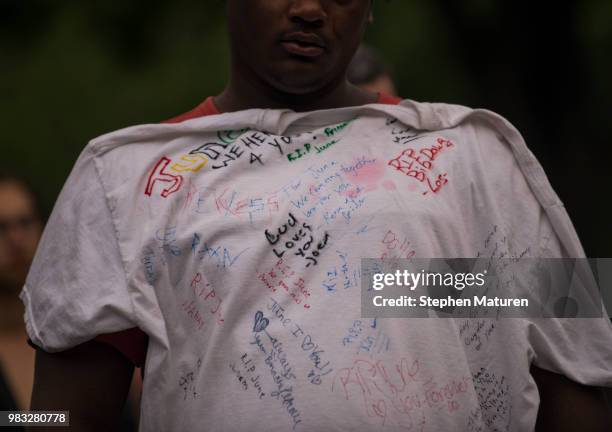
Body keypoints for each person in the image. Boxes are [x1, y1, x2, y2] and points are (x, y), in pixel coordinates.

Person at [23, 1, 612, 431]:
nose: (309, 9)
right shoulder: (126, 176)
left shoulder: (472, 153)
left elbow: (577, 378)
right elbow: (62, 415)